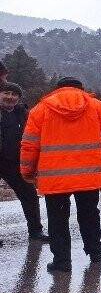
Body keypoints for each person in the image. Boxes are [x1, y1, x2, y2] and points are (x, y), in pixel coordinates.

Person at [20, 77, 101, 273]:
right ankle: (95, 253)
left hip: (54, 177)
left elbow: (29, 145)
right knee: (89, 215)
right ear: (82, 89)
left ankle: (62, 262)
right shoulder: (98, 107)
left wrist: (27, 171)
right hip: (89, 175)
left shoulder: (40, 110)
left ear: (57, 89)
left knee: (57, 219)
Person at [0, 83, 47, 241]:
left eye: (14, 95)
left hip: (15, 162)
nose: (10, 97)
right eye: (6, 93)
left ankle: (36, 232)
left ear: (19, 98)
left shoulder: (23, 113)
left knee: (30, 195)